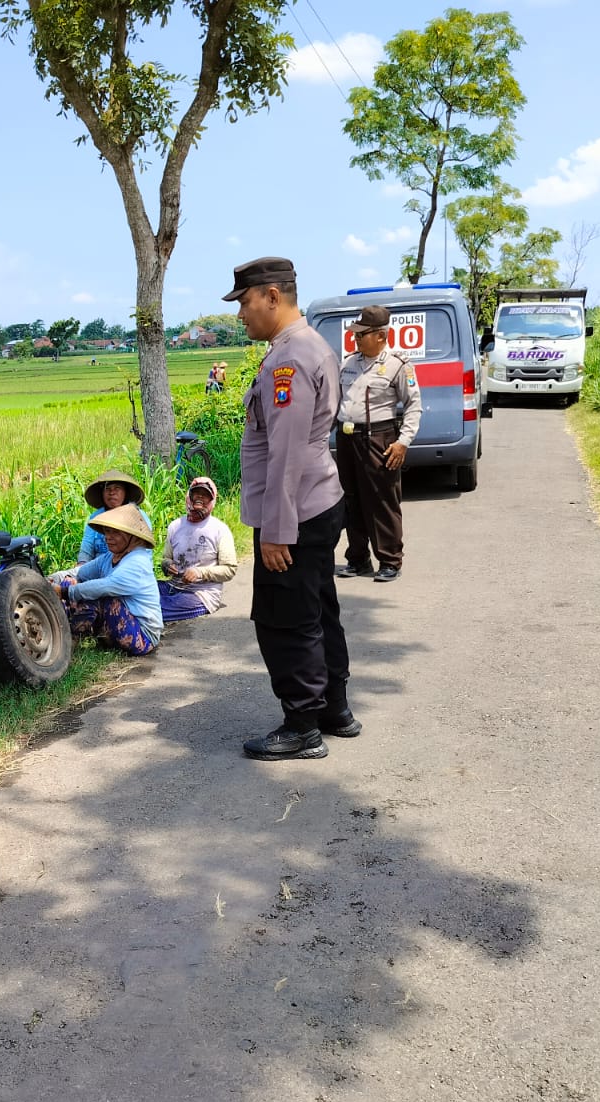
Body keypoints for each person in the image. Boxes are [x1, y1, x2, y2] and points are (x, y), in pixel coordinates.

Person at [226, 255, 359, 761]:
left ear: (273, 297)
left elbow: (284, 453)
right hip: (316, 500)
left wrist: (276, 530)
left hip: (295, 510)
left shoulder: (287, 359)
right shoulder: (308, 346)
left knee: (286, 619)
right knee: (320, 608)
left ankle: (302, 724)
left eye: (245, 301)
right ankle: (334, 710)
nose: (241, 313)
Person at [334, 305, 422, 583]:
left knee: (382, 501)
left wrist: (403, 442)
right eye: (356, 334)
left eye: (362, 334)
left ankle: (390, 560)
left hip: (380, 437)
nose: (356, 339)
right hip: (347, 438)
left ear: (381, 336)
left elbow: (414, 406)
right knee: (352, 500)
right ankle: (358, 559)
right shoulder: (347, 363)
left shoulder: (398, 365)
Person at [52, 503, 162, 656]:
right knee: (70, 581)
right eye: (107, 532)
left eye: (115, 533)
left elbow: (106, 586)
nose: (108, 538)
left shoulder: (138, 561)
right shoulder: (109, 558)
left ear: (131, 535)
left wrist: (65, 592)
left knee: (98, 597)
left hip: (142, 636)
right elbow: (81, 572)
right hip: (115, 628)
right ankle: (57, 631)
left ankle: (68, 641)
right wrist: (53, 580)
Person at [159, 476, 238, 622]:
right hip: (173, 586)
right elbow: (166, 558)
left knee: (154, 608)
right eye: (196, 493)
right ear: (189, 496)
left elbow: (230, 569)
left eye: (206, 494)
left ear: (212, 500)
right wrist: (167, 565)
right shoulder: (175, 526)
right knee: (140, 592)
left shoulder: (220, 530)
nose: (200, 497)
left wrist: (199, 572)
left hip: (202, 594)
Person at [77, 469, 152, 564]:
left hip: (127, 567)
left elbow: (144, 551)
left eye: (117, 488)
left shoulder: (138, 516)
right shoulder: (96, 517)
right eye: (108, 489)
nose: (112, 493)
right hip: (97, 567)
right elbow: (87, 547)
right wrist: (81, 565)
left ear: (125, 492)